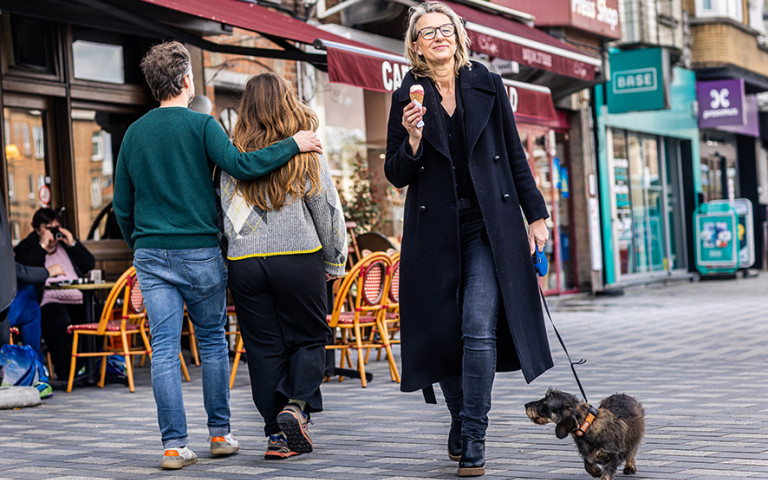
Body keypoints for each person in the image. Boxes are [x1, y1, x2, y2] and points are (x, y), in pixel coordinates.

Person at [112, 41, 323, 470]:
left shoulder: (134, 133)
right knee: (211, 343)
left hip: (151, 255)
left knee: (165, 350)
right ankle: (220, 435)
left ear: (153, 85)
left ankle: (173, 446)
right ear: (187, 79)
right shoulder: (203, 125)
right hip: (200, 252)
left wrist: (140, 244)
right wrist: (294, 144)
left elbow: (121, 204)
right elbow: (242, 166)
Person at [384, 2, 553, 477]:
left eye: (445, 29)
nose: (438, 37)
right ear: (415, 46)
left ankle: (475, 434)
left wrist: (535, 214)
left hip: (487, 226)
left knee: (478, 327)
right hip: (432, 231)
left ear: (459, 36)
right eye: (427, 32)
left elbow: (513, 153)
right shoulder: (407, 96)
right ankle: (459, 416)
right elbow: (395, 172)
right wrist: (413, 141)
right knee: (444, 331)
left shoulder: (486, 82)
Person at [221, 73, 346, 460]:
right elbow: (327, 210)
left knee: (262, 349)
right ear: (288, 102)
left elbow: (227, 216)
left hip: (244, 263)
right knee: (310, 338)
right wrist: (334, 259)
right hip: (297, 258)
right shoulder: (305, 150)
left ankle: (276, 436)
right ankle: (296, 405)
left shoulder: (231, 157)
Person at [14, 207, 95, 381]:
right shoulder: (28, 247)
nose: (53, 232)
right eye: (48, 228)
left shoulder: (65, 245)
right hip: (47, 301)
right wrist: (42, 245)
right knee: (57, 318)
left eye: (55, 227)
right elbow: (24, 270)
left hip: (77, 298)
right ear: (37, 229)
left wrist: (72, 243)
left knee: (94, 314)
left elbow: (89, 263)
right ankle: (64, 370)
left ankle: (92, 368)